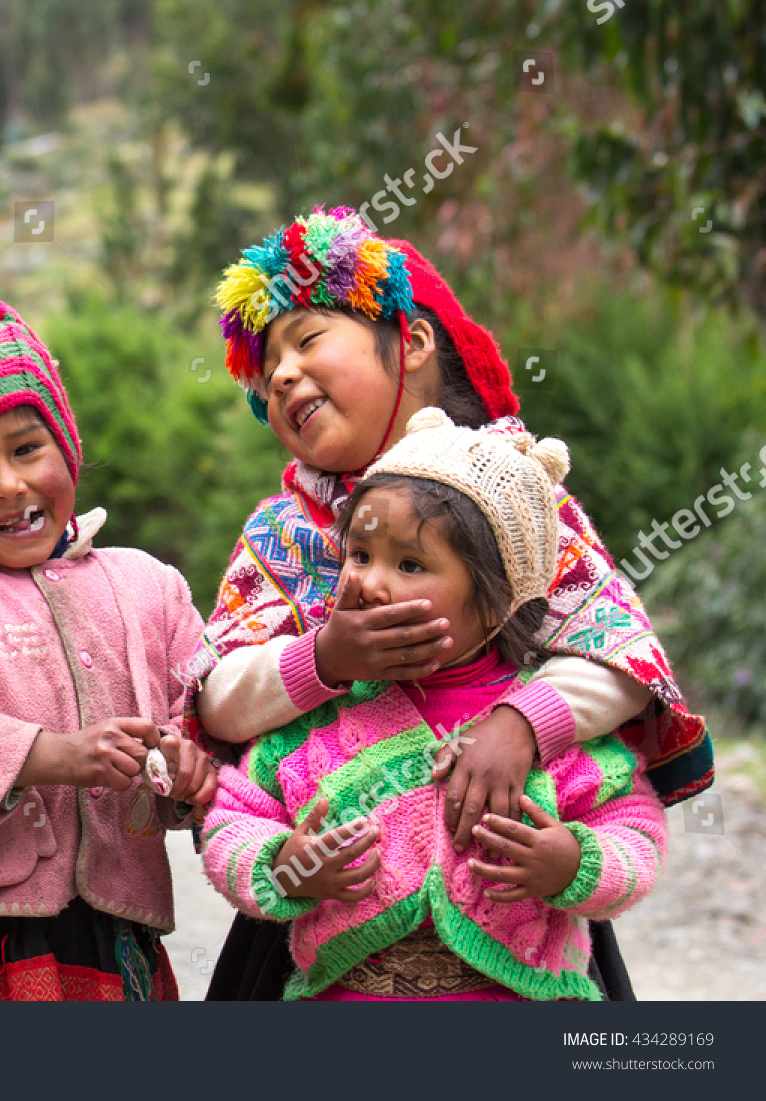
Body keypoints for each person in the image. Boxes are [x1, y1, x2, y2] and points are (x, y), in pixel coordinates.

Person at [187, 207, 711, 999]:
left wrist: (522, 724)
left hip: (517, 923)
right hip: (325, 920)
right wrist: (324, 658)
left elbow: (624, 661)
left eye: (307, 339)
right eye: (269, 370)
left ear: (414, 342)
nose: (282, 374)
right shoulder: (284, 535)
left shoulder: (521, 499)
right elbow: (219, 703)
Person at [202, 408, 669, 1000]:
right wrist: (283, 867)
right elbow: (233, 815)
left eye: (411, 564)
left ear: (501, 597)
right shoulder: (324, 715)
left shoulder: (544, 722)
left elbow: (636, 828)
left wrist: (573, 863)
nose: (369, 582)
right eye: (360, 555)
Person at [0, 287, 217, 1000]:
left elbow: (206, 715)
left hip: (116, 938)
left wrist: (188, 771)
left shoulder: (152, 586)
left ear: (68, 448)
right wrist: (54, 754)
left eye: (28, 448)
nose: (7, 483)